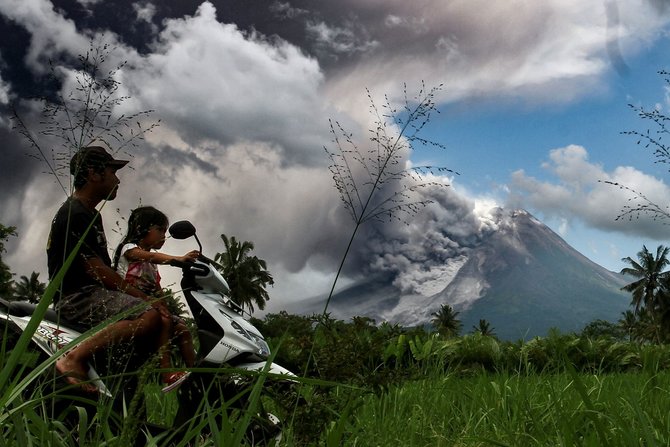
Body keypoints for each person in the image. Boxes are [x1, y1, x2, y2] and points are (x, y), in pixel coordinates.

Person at [47, 146, 164, 393]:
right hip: (78, 298)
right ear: (94, 174)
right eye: (112, 171)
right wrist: (144, 298)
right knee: (149, 314)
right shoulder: (74, 213)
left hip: (92, 295)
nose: (117, 179)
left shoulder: (89, 214)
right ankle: (73, 358)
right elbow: (97, 270)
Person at [113, 206, 199, 390]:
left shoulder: (152, 264)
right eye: (160, 230)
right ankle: (166, 373)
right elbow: (150, 256)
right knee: (166, 321)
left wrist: (164, 303)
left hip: (148, 305)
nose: (164, 236)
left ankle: (197, 375)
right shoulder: (129, 249)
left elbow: (157, 286)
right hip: (126, 302)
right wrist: (178, 259)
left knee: (183, 328)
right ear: (143, 228)